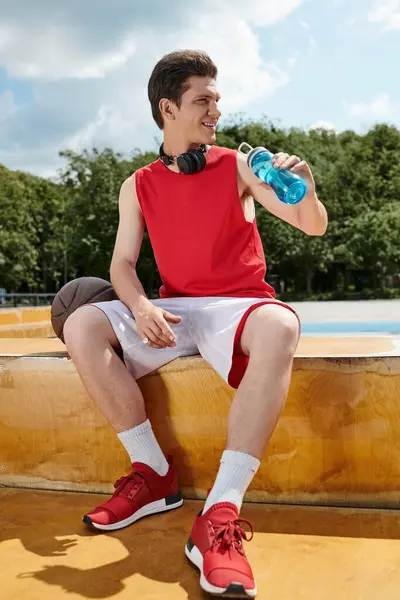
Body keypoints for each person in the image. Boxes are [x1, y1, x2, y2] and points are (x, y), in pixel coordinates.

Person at [63, 49, 328, 598]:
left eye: (217, 100)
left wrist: (306, 189)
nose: (216, 112)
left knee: (280, 327)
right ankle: (153, 474)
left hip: (236, 305)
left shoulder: (237, 165)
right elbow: (121, 267)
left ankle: (220, 513)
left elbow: (311, 227)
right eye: (203, 100)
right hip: (174, 309)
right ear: (168, 108)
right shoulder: (136, 185)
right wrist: (139, 307)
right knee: (83, 323)